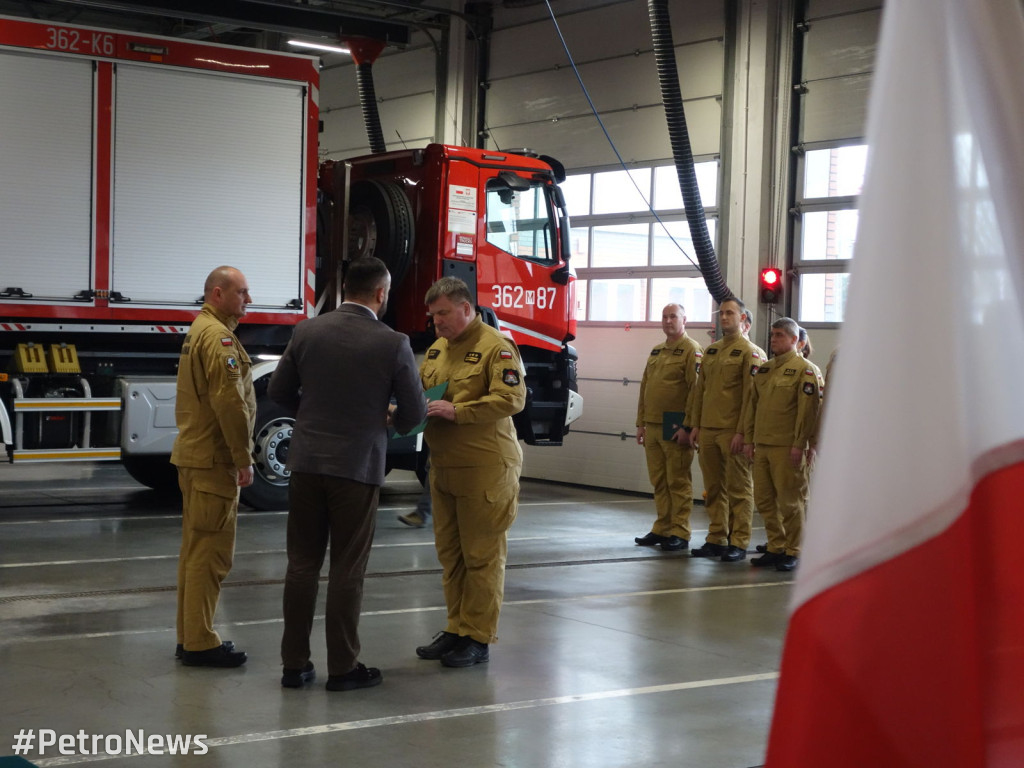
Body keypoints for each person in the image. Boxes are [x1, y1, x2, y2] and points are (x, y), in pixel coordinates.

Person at [268, 257, 426, 691]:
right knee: (347, 568)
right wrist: (385, 416)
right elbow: (414, 415)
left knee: (301, 564)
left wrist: (319, 413)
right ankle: (342, 668)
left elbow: (279, 391)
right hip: (356, 467)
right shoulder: (392, 342)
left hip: (306, 463)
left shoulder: (307, 330)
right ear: (381, 292)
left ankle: (294, 665)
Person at [415, 277, 526, 668]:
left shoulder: (496, 346)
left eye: (443, 313)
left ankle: (477, 637)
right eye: (433, 316)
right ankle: (456, 627)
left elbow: (512, 398)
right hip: (445, 467)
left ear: (466, 308)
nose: (437, 323)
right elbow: (424, 397)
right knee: (452, 555)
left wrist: (459, 411)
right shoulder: (437, 350)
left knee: (482, 556)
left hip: (486, 469)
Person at [171, 266, 256, 668]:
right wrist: (243, 457)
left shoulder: (199, 329)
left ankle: (189, 634)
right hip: (213, 461)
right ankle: (200, 642)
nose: (249, 300)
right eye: (242, 292)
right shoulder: (217, 337)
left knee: (194, 551)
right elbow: (230, 403)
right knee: (211, 555)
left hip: (194, 457)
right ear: (218, 293)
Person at [685, 297, 765, 562]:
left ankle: (739, 541)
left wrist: (743, 433)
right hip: (708, 429)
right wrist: (695, 425)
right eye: (722, 313)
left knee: (740, 490)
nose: (724, 317)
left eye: (730, 313)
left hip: (732, 431)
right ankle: (717, 537)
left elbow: (751, 398)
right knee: (713, 488)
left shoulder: (751, 353)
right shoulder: (712, 351)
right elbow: (700, 392)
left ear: (743, 319)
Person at [744, 317, 823, 572]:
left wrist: (800, 444)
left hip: (788, 446)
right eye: (772, 334)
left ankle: (796, 550)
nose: (773, 339)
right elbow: (752, 407)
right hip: (763, 444)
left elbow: (808, 412)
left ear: (794, 340)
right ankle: (776, 546)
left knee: (791, 502)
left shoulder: (806, 370)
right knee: (764, 500)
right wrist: (749, 439)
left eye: (779, 335)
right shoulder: (765, 370)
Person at [633, 303, 702, 551]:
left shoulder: (691, 350)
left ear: (685, 320)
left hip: (675, 423)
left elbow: (696, 392)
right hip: (652, 423)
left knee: (678, 481)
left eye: (673, 316)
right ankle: (662, 527)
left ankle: (680, 532)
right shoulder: (656, 351)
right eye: (664, 317)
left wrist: (688, 426)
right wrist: (640, 423)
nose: (668, 321)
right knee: (659, 480)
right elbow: (645, 388)